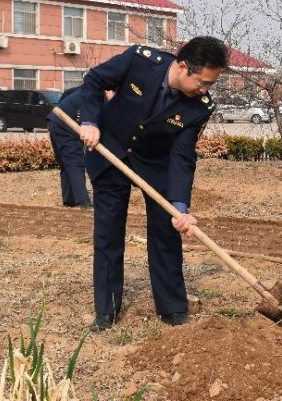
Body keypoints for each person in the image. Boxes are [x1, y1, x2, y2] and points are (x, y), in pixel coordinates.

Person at [74, 36, 228, 332]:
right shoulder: (140, 60)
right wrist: (90, 121)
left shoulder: (200, 106)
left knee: (166, 232)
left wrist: (180, 207)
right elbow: (94, 80)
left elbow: (183, 156)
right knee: (108, 233)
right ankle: (106, 311)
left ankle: (172, 308)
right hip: (111, 152)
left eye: (210, 84)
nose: (205, 90)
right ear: (183, 67)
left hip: (156, 165)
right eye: (202, 82)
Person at [47, 86, 92, 209]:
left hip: (55, 121)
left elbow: (66, 95)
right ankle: (83, 200)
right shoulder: (95, 92)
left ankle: (69, 199)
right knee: (75, 161)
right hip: (64, 125)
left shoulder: (84, 89)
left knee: (67, 162)